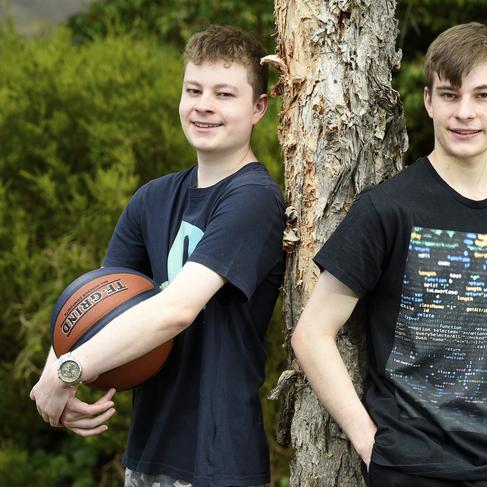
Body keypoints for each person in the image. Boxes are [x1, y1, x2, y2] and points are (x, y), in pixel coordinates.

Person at [291, 22, 487, 487]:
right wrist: (372, 446)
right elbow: (312, 335)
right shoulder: (388, 209)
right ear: (428, 101)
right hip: (414, 468)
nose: (465, 112)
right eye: (450, 94)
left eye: (482, 95)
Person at [30, 25, 285, 487]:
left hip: (218, 460)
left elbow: (176, 310)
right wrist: (53, 374)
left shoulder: (255, 199)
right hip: (147, 453)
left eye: (224, 94)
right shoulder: (153, 198)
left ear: (258, 108)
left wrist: (69, 371)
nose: (204, 105)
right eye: (194, 90)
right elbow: (92, 304)